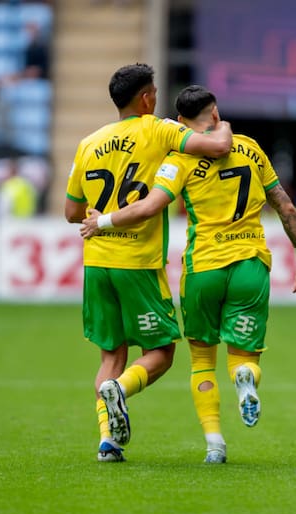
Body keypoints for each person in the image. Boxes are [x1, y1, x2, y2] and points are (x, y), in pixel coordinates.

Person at [80, 85, 296, 464]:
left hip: (203, 267)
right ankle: (247, 380)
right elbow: (285, 206)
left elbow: (152, 205)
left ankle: (214, 445)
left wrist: (103, 221)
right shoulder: (250, 147)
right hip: (250, 263)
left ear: (179, 122)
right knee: (243, 359)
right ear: (216, 113)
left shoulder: (179, 159)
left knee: (201, 363)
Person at [63, 64, 233, 463]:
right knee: (161, 351)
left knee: (111, 355)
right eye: (154, 91)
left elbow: (71, 211)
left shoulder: (89, 142)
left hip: (97, 262)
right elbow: (217, 147)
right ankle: (121, 390)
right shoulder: (158, 129)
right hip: (138, 262)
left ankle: (108, 441)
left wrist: (99, 216)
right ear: (147, 98)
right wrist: (221, 125)